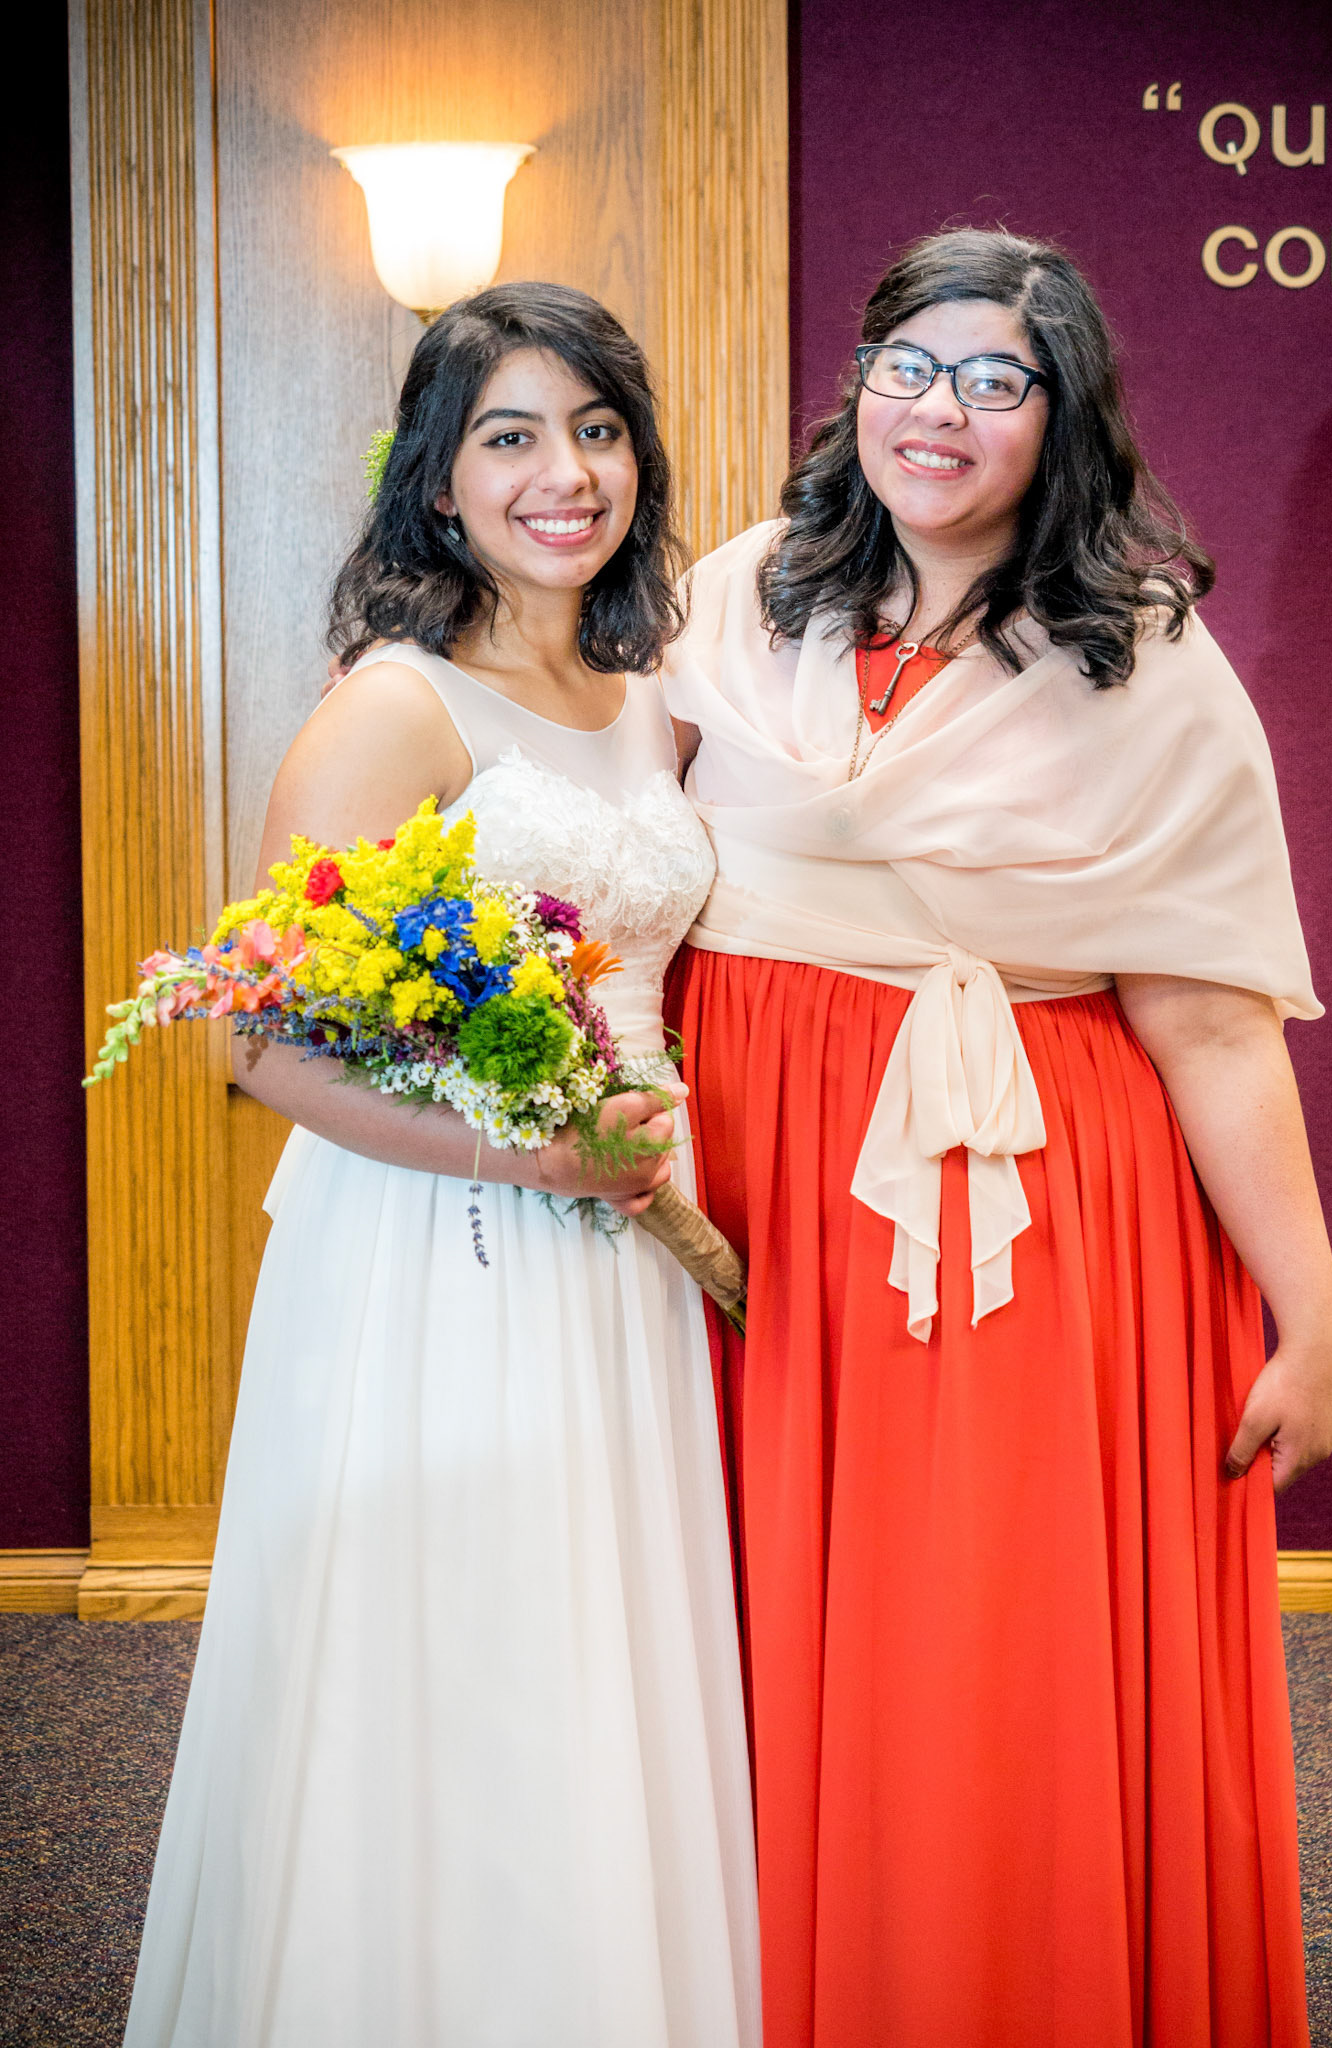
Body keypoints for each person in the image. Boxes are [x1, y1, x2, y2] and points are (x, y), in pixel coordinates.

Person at [663, 229, 1332, 2048]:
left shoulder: (1148, 663)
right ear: (856, 388)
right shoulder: (734, 596)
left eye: (994, 380)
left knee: (978, 1625)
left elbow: (1211, 1016)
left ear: (1066, 415)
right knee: (751, 1602)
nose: (938, 412)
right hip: (750, 1186)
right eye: (909, 366)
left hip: (1023, 1200)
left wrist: (1311, 1312)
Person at [124, 283, 760, 2048]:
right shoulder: (392, 712)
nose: (568, 474)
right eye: (513, 436)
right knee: (465, 1644)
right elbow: (261, 1048)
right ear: (438, 477)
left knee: (601, 1653)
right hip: (443, 1253)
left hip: (628, 1247)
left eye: (600, 430)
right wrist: (538, 1158)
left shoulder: (649, 697)